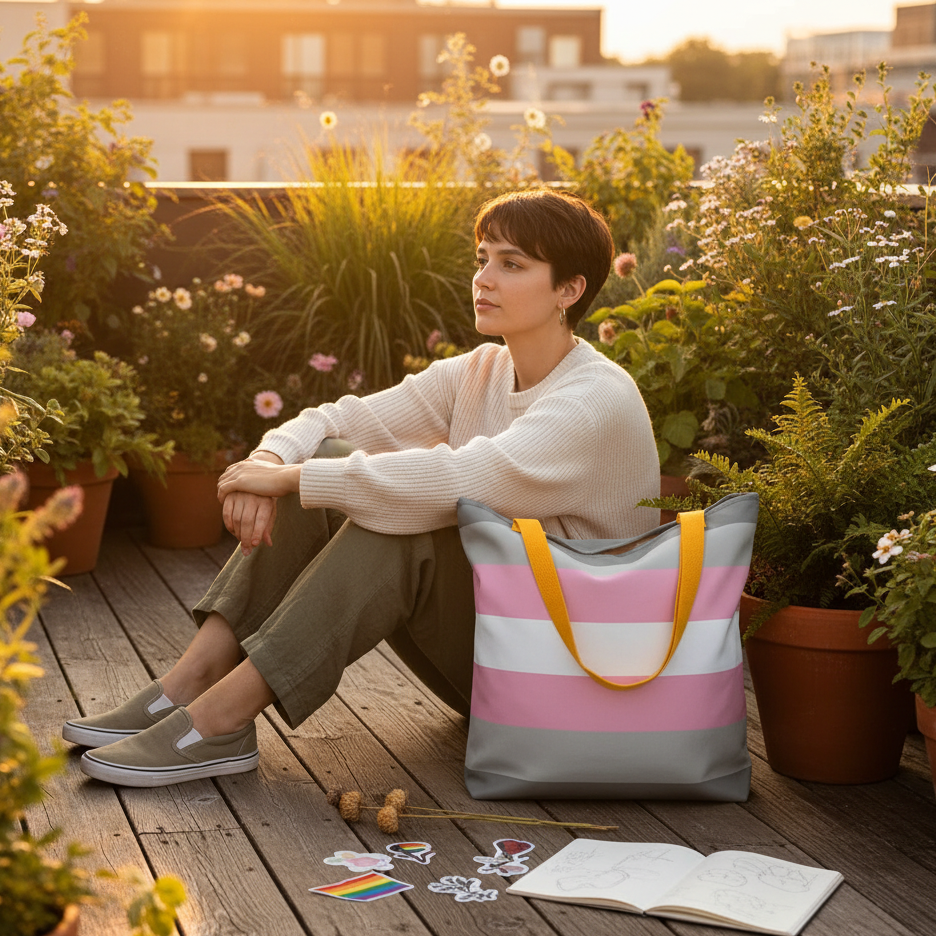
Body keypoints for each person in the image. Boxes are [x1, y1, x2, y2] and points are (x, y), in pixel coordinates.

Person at [64, 188, 661, 787]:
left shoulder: (593, 400)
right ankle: (188, 686)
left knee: (397, 522)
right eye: (482, 258)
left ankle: (218, 721)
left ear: (569, 290)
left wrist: (293, 477)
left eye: (512, 264)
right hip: (501, 651)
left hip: (569, 685)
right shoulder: (482, 370)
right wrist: (273, 460)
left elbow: (460, 479)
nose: (484, 278)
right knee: (327, 464)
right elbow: (337, 421)